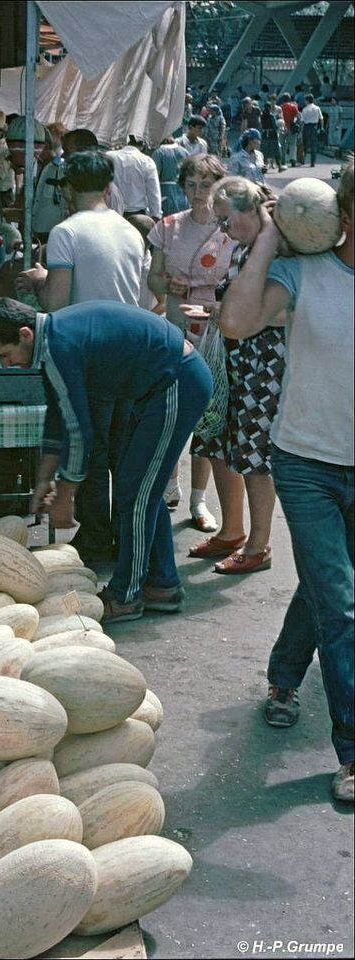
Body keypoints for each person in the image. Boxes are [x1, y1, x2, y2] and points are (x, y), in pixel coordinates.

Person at [214, 159, 354, 803]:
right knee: (344, 603)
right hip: (307, 464)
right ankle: (352, 750)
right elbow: (236, 323)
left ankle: (283, 677)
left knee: (330, 587)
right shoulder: (303, 274)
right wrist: (269, 234)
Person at [0, 297, 213, 624]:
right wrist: (45, 477)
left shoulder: (59, 345)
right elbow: (59, 415)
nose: (5, 364)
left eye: (4, 355)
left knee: (136, 494)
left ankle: (126, 596)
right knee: (141, 489)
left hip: (176, 381)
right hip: (157, 387)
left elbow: (80, 431)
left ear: (25, 334)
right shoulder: (51, 340)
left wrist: (66, 496)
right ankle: (162, 585)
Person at [16, 151, 145, 563]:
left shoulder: (65, 233)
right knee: (121, 454)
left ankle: (92, 538)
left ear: (68, 189)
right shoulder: (130, 232)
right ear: (109, 188)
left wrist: (40, 280)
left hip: (85, 356)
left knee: (83, 447)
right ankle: (123, 539)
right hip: (130, 352)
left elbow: (56, 307)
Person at [183, 176, 286, 577]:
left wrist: (236, 320)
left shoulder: (276, 253)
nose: (223, 230)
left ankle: (259, 545)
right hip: (239, 363)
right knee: (228, 446)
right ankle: (234, 531)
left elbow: (278, 312)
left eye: (227, 220)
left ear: (252, 211)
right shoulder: (248, 249)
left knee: (256, 456)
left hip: (264, 368)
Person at [148, 154, 237, 531]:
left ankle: (200, 502)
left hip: (218, 333)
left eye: (206, 185)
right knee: (169, 410)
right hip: (176, 326)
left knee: (209, 417)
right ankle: (170, 485)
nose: (198, 193)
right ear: (180, 186)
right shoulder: (167, 227)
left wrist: (219, 306)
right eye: (191, 184)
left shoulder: (233, 230)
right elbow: (152, 278)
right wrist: (166, 285)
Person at [106, 136, 162, 220]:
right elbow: (153, 191)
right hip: (138, 215)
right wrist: (156, 214)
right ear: (143, 145)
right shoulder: (147, 161)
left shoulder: (109, 156)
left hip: (111, 212)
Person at [151, 138, 189, 216]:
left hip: (166, 192)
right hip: (183, 191)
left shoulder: (158, 153)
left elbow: (155, 176)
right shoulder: (184, 152)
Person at [279, 92, 301, 167]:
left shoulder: (281, 107)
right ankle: (293, 159)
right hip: (291, 128)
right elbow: (298, 116)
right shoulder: (293, 106)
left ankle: (283, 159)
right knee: (292, 144)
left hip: (282, 128)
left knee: (282, 144)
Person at [300, 94, 323, 167]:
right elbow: (321, 119)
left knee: (305, 144)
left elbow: (302, 121)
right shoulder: (317, 108)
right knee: (313, 145)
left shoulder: (305, 109)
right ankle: (312, 162)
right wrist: (321, 127)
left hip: (307, 127)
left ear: (307, 101)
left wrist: (301, 130)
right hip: (314, 127)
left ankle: (303, 160)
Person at [260, 102, 282, 171]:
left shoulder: (262, 115)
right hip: (272, 134)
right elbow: (274, 125)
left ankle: (265, 167)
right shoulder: (271, 116)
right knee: (276, 151)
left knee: (264, 152)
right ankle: (279, 166)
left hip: (264, 134)